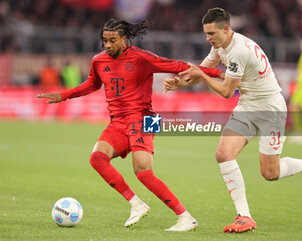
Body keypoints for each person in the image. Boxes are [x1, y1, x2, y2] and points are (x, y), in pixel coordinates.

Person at [37, 18, 224, 231]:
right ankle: (136, 204)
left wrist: (220, 74)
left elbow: (180, 66)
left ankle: (185, 217)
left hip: (146, 118)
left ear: (124, 39)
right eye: (104, 40)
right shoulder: (98, 61)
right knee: (97, 159)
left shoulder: (141, 57)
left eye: (112, 40)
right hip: (118, 121)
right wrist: (63, 96)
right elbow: (92, 84)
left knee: (143, 172)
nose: (107, 45)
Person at [164, 8, 302, 233]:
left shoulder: (239, 50)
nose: (207, 38)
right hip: (248, 107)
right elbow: (202, 70)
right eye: (206, 34)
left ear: (226, 29)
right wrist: (180, 83)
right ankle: (244, 216)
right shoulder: (220, 46)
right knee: (223, 154)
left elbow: (226, 92)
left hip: (270, 109)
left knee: (270, 173)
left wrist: (202, 76)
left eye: (211, 33)